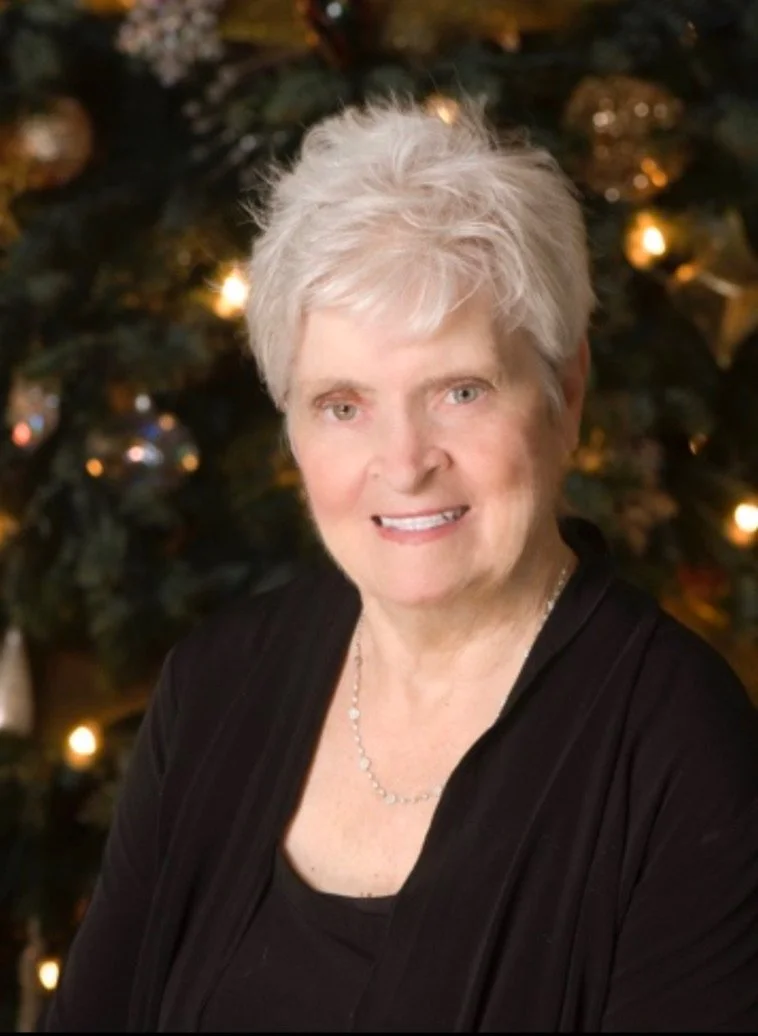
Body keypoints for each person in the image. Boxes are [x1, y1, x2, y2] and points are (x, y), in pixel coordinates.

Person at [45, 98, 758, 1033]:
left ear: (566, 389)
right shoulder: (217, 686)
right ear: (292, 424)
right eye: (343, 405)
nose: (405, 461)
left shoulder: (681, 748)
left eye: (460, 391)